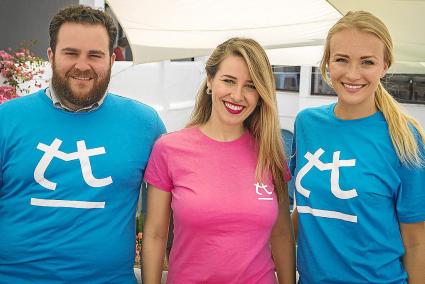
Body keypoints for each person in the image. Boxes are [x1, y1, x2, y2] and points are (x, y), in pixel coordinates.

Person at [0, 5, 165, 283]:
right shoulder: (7, 119)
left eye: (95, 55)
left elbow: (161, 221)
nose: (82, 65)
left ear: (112, 60)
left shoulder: (145, 125)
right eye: (71, 53)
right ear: (51, 56)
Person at [142, 37, 296, 283]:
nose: (238, 95)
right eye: (229, 81)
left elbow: (281, 235)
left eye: (251, 85)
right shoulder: (169, 149)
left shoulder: (270, 151)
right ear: (210, 81)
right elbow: (155, 235)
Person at [290, 11, 425, 284]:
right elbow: (304, 209)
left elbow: (416, 242)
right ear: (328, 62)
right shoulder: (307, 125)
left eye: (367, 62)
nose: (353, 74)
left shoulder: (406, 140)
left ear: (385, 65)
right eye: (341, 59)